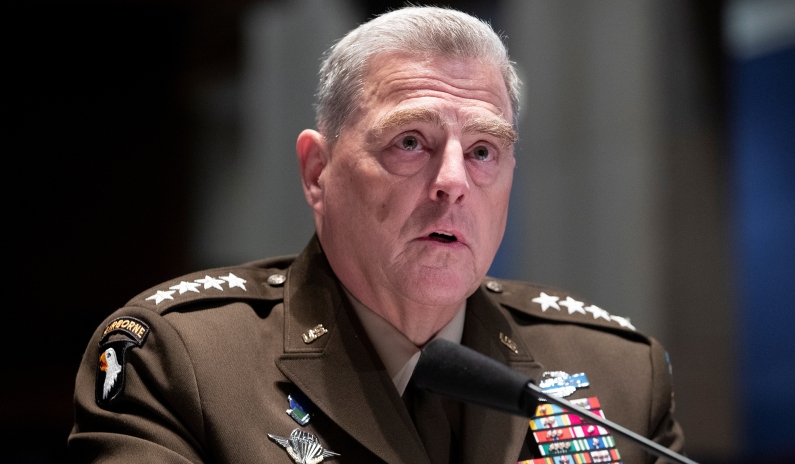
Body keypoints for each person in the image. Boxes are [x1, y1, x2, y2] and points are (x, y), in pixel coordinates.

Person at [69, 6, 685, 464]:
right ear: (318, 172)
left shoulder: (619, 376)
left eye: (482, 150)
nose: (453, 182)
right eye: (410, 142)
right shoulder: (180, 362)